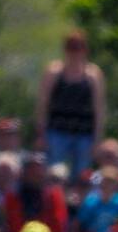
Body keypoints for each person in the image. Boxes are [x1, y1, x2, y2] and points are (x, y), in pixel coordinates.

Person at [35, 29, 105, 178]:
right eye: (71, 47)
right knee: (54, 172)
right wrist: (41, 134)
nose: (75, 52)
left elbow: (98, 109)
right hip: (57, 131)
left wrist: (97, 139)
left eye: (78, 47)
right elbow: (43, 104)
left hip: (84, 133)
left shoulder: (93, 74)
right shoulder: (54, 72)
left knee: (82, 175)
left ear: (85, 49)